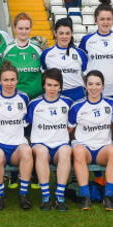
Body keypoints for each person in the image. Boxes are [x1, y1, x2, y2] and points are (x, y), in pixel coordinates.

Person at [69, 70, 113, 211]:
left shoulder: (111, 104)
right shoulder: (77, 106)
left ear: (103, 86)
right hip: (84, 148)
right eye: (90, 84)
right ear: (85, 85)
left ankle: (108, 196)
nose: (94, 87)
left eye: (98, 84)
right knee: (78, 151)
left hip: (103, 148)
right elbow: (68, 130)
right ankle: (85, 197)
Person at [0, 62, 33, 210]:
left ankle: (23, 194)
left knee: (27, 151)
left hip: (17, 146)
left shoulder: (24, 98)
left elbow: (27, 124)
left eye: (12, 79)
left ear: (17, 80)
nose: (9, 83)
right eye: (5, 80)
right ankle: (0, 195)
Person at [28, 68, 73, 211]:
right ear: (43, 85)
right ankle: (46, 197)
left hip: (60, 145)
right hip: (40, 145)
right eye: (49, 85)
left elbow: (70, 126)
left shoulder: (68, 103)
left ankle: (60, 197)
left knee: (66, 150)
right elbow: (24, 125)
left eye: (55, 85)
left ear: (60, 85)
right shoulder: (34, 104)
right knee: (41, 152)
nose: (52, 89)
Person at [79, 0, 113, 100]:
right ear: (95, 19)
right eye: (102, 19)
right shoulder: (86, 40)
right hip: (94, 92)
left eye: (108, 19)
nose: (105, 22)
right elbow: (82, 67)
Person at [41, 18, 88, 102]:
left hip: (77, 95)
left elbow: (87, 76)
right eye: (61, 33)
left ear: (72, 33)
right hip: (56, 95)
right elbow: (44, 76)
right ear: (55, 33)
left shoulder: (80, 53)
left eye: (67, 33)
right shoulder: (46, 54)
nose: (64, 37)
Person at [2, 12, 44, 99]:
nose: (24, 32)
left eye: (27, 28)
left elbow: (44, 72)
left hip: (37, 98)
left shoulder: (37, 48)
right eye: (20, 28)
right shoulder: (7, 50)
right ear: (14, 28)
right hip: (16, 98)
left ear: (31, 28)